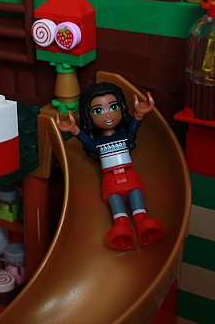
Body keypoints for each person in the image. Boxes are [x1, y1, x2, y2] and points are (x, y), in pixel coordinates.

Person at [55, 82, 164, 250]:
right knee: (115, 199)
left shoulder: (122, 136)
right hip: (110, 179)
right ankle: (122, 227)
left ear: (121, 108)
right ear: (89, 116)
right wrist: (74, 129)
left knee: (136, 194)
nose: (107, 114)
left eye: (113, 107)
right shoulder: (98, 142)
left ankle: (143, 222)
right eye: (98, 111)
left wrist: (139, 114)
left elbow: (132, 133)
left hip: (129, 173)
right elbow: (89, 143)